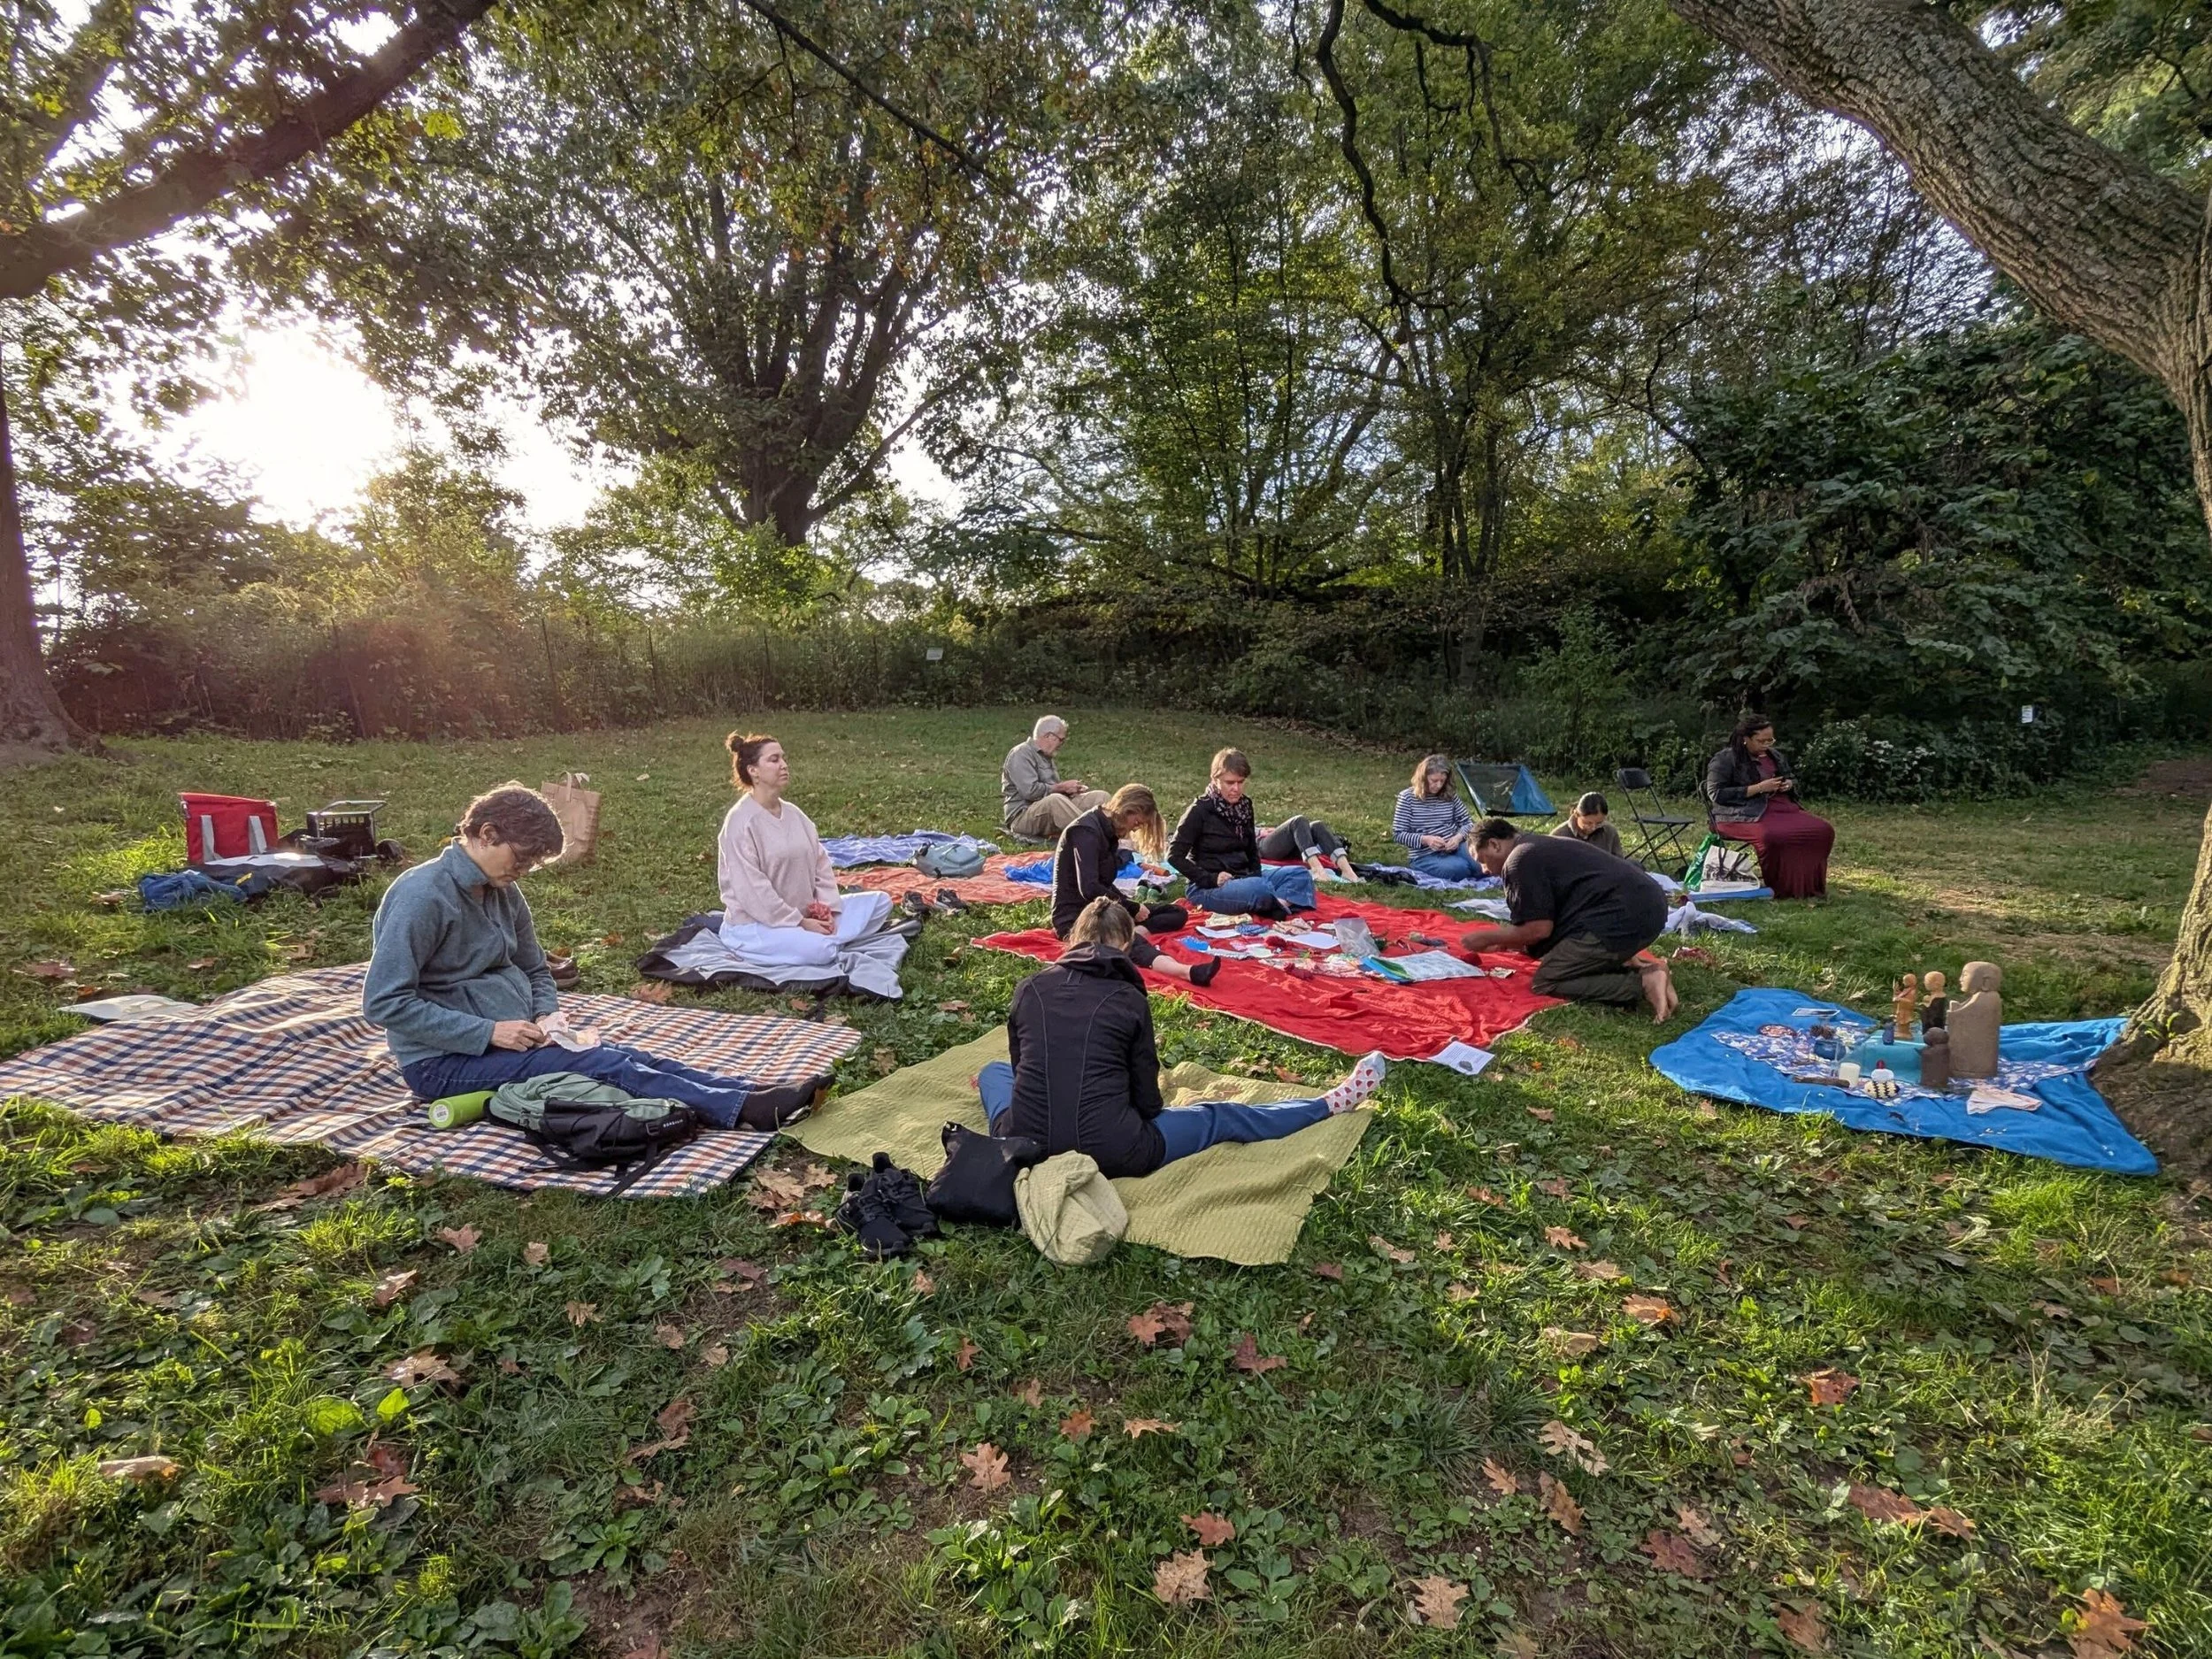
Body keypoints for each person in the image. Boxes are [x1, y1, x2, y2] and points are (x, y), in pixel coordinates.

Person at [365, 783, 829, 1129]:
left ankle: (746, 1091)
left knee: (619, 1054)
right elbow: (384, 1003)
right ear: (487, 834)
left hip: (516, 1039)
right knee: (600, 1066)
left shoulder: (504, 891)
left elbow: (533, 967)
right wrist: (488, 1031)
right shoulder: (422, 897)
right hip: (442, 1065)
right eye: (521, 859)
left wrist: (546, 1013)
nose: (524, 872)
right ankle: (742, 1112)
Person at [976, 899, 1386, 1178]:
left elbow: (1019, 1066)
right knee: (1221, 1117)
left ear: (1074, 940)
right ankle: (1325, 1105)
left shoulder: (1030, 987)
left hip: (1021, 1141)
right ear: (1126, 944)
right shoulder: (1126, 996)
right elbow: (1147, 1099)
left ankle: (1010, 1103)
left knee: (994, 1073)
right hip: (1116, 1149)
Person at [1456, 818, 1677, 1022]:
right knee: (1562, 957)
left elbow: (1538, 930)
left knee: (1548, 979)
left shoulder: (1518, 860)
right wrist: (1508, 941)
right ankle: (1642, 968)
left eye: (1482, 860)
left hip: (1622, 916)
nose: (1484, 870)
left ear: (1495, 845)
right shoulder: (1534, 846)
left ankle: (1642, 983)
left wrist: (1486, 937)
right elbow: (1550, 918)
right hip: (1647, 906)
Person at [718, 732, 899, 964]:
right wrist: (800, 923)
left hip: (805, 915)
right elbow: (753, 891)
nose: (783, 765)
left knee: (881, 902)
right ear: (753, 771)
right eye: (774, 760)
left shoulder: (795, 815)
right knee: (821, 952)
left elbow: (820, 864)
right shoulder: (740, 822)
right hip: (756, 925)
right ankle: (817, 942)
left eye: (783, 758)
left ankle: (819, 939)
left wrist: (826, 909)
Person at [1052, 785, 1219, 987]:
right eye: (1137, 823)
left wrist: (1131, 907)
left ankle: (1131, 930)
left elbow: (1103, 884)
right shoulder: (1086, 831)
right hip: (1077, 916)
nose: (1135, 829)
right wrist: (1130, 907)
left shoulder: (1108, 833)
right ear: (1127, 810)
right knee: (1131, 942)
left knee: (1176, 913)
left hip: (1103, 907)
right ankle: (1186, 972)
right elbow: (1089, 888)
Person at [1169, 749, 1317, 916]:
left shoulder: (1244, 806)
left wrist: (1255, 875)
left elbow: (1252, 849)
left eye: (1240, 782)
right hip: (1209, 886)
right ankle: (1274, 902)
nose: (1236, 788)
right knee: (1259, 888)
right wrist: (1210, 878)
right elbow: (1174, 856)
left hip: (1243, 878)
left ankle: (1276, 905)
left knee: (1300, 874)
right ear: (1215, 779)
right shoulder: (1199, 810)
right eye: (1230, 782)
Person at [1704, 717, 1835, 899]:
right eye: (1761, 741)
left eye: (1770, 740)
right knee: (1772, 836)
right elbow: (1716, 794)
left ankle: (1808, 886)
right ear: (1746, 739)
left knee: (1823, 830)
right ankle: (1780, 888)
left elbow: (1791, 778)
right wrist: (1758, 788)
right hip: (1741, 814)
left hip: (1781, 807)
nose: (1766, 744)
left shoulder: (1775, 756)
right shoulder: (1725, 759)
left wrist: (1788, 784)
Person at [1002, 715, 1110, 839]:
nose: (1062, 744)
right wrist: (1060, 787)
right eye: (1061, 739)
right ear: (1049, 736)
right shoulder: (1021, 754)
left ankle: (1116, 834)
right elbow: (1029, 792)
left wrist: (1068, 791)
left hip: (1047, 807)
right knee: (1055, 801)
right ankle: (1095, 836)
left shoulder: (1046, 757)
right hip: (1022, 817)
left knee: (1101, 797)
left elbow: (1053, 790)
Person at [1391, 754, 1479, 882]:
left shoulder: (1450, 795)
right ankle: (1460, 867)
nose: (1438, 785)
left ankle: (1469, 867)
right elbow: (1398, 834)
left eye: (1442, 781)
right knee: (1460, 869)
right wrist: (1426, 840)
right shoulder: (1407, 798)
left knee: (1482, 862)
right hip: (1424, 855)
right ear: (1423, 778)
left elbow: (1468, 822)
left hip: (1455, 846)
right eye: (1434, 781)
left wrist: (1458, 838)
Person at [1257, 813, 1357, 883]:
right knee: (1298, 820)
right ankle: (1317, 870)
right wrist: (1259, 831)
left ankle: (1347, 870)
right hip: (1261, 845)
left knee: (1317, 825)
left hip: (1282, 844)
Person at [1551, 792, 1624, 858]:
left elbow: (1619, 863)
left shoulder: (1610, 832)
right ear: (1576, 814)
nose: (1593, 827)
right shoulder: (1559, 835)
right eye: (1588, 823)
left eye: (1599, 823)